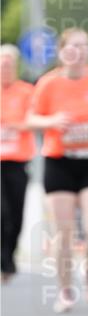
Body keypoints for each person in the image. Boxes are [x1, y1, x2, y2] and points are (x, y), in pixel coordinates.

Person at [28, 28, 88, 312]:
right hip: (60, 161)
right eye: (73, 47)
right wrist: (52, 120)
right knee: (64, 233)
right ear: (62, 51)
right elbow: (30, 119)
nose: (78, 52)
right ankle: (65, 289)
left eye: (84, 46)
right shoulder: (48, 83)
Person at [0, 45, 35, 281]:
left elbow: (35, 120)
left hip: (18, 160)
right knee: (1, 212)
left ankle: (9, 255)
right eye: (2, 64)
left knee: (16, 214)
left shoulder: (27, 91)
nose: (5, 68)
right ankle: (3, 260)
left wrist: (16, 126)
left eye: (9, 64)